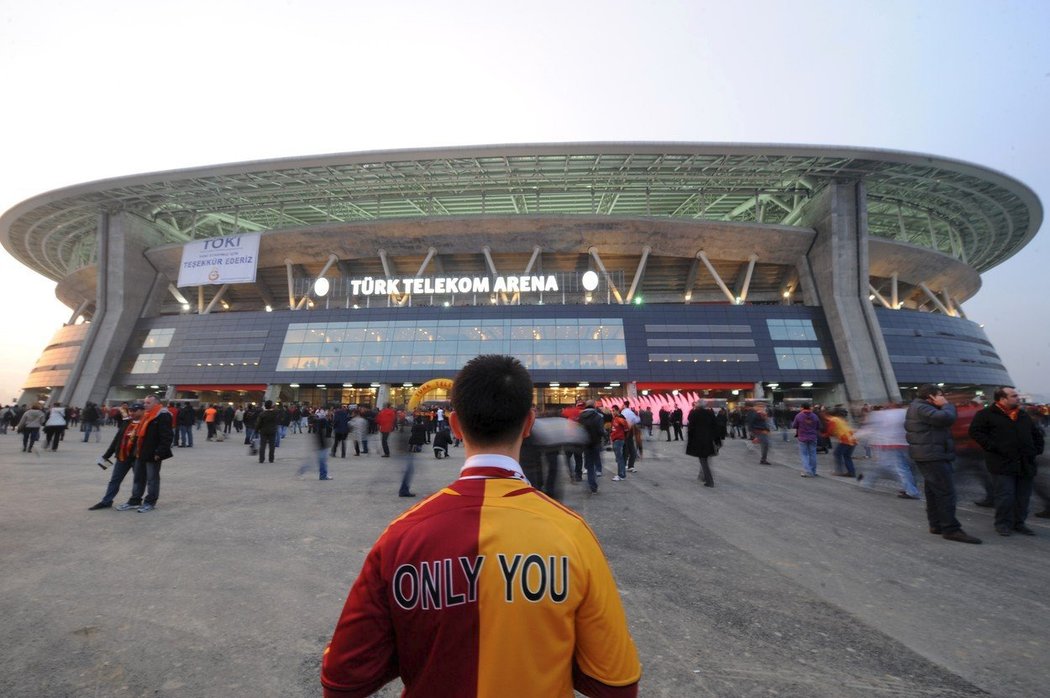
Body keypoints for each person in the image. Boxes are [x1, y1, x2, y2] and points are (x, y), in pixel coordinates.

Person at [321, 354, 641, 697]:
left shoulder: (402, 535)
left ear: (455, 426)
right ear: (529, 423)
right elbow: (616, 683)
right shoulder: (571, 533)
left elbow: (342, 680)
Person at [905, 384, 981, 544]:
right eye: (941, 395)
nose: (944, 398)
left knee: (933, 492)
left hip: (929, 454)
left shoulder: (919, 406)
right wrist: (946, 405)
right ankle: (951, 529)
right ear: (931, 397)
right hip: (932, 455)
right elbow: (946, 418)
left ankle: (936, 524)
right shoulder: (922, 407)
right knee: (945, 492)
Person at [969, 386, 1045, 536]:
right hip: (1002, 462)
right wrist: (993, 447)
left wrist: (1036, 449)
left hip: (1025, 462)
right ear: (1002, 399)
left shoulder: (1022, 415)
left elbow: (1035, 433)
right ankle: (1003, 523)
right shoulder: (986, 415)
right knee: (1005, 495)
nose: (1017, 398)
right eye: (1013, 395)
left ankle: (1019, 523)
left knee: (1023, 496)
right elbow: (975, 432)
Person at [118, 395, 173, 513]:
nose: (145, 405)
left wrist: (160, 452)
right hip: (141, 452)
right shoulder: (146, 416)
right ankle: (135, 500)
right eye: (144, 402)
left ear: (156, 403)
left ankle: (150, 502)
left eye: (148, 403)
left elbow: (167, 436)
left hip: (153, 453)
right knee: (138, 477)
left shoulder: (162, 415)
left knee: (152, 479)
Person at [89, 403, 145, 510]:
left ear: (142, 411)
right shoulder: (126, 422)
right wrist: (107, 455)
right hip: (122, 456)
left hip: (137, 457)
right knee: (115, 479)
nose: (132, 413)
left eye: (135, 410)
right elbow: (117, 439)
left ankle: (136, 500)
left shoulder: (146, 423)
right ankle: (106, 501)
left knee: (138, 480)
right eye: (131, 411)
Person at [686, 400, 721, 487]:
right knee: (705, 459)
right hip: (709, 440)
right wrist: (717, 441)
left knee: (703, 461)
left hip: (699, 441)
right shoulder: (710, 413)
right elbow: (715, 427)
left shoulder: (695, 413)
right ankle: (703, 477)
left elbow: (691, 427)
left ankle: (709, 481)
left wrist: (690, 441)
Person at [577, 400, 605, 494]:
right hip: (596, 443)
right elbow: (601, 430)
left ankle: (591, 485)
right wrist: (604, 435)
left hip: (585, 444)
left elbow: (578, 429)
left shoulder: (581, 417)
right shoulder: (598, 416)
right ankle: (595, 480)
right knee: (597, 460)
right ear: (594, 406)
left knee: (589, 465)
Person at [826, 408, 860, 479]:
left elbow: (830, 431)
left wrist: (823, 435)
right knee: (847, 456)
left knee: (837, 454)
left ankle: (839, 471)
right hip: (853, 439)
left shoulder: (833, 420)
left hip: (846, 440)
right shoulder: (842, 420)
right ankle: (851, 472)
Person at [791, 404, 822, 477]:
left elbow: (794, 425)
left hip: (802, 437)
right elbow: (818, 426)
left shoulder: (799, 416)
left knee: (804, 455)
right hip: (813, 437)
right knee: (813, 454)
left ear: (802, 407)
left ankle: (808, 471)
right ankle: (813, 471)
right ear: (810, 408)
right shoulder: (814, 416)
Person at [609, 405, 630, 481]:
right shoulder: (615, 418)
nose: (612, 412)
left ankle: (621, 475)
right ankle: (621, 474)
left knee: (619, 458)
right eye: (612, 410)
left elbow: (627, 428)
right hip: (616, 440)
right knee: (619, 458)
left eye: (614, 410)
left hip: (618, 440)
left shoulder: (620, 418)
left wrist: (622, 437)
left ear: (617, 411)